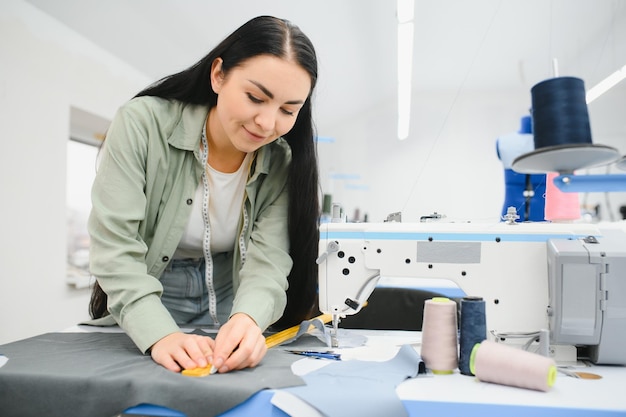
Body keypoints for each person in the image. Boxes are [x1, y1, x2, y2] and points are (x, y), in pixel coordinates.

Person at [86, 15, 320, 374]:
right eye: (256, 98)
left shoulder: (282, 161)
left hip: (232, 293)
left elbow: (268, 261)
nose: (268, 123)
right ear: (218, 75)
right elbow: (114, 247)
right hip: (148, 292)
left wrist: (248, 319)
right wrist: (159, 333)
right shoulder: (142, 124)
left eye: (288, 110)